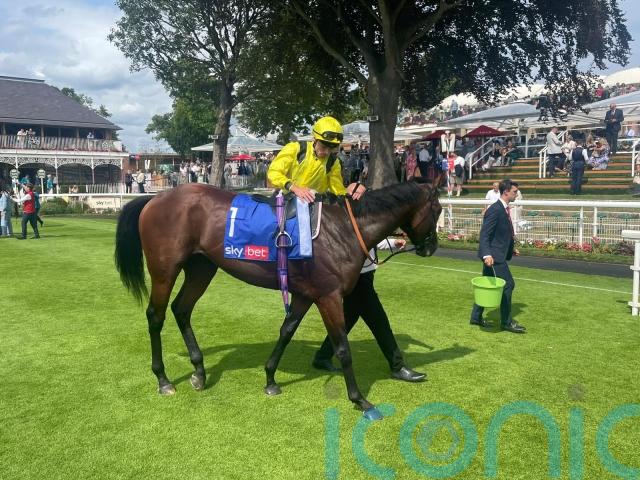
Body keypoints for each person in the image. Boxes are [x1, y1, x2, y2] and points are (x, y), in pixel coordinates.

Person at [268, 116, 424, 381]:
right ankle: (395, 364)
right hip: (289, 213)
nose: (326, 152)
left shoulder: (333, 162)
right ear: (314, 139)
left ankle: (324, 355)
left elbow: (337, 193)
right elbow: (273, 174)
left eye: (332, 148)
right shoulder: (295, 149)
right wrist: (295, 187)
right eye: (324, 146)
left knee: (353, 312)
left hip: (318, 221)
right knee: (369, 312)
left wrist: (353, 191)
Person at [312, 237, 426, 382]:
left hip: (362, 274)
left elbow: (370, 237)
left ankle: (322, 356)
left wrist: (392, 243)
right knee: (380, 323)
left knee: (347, 320)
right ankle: (397, 366)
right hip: (357, 276)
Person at [470, 179, 526, 334]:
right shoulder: (495, 209)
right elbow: (485, 234)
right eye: (514, 192)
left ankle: (475, 317)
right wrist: (487, 254)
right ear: (506, 192)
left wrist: (510, 249)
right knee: (508, 285)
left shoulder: (502, 208)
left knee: (487, 283)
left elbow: (502, 233)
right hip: (494, 257)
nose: (516, 194)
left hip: (496, 254)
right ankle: (506, 322)